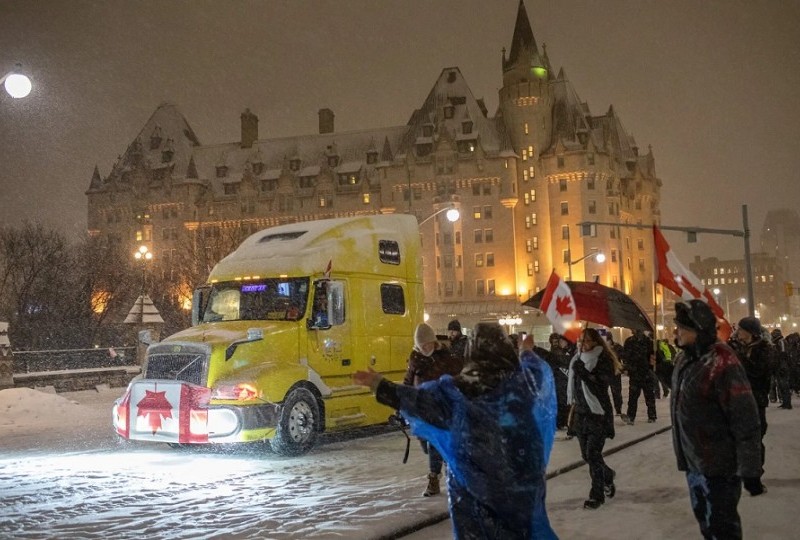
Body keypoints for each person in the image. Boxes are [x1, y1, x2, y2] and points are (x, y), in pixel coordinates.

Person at [353, 322, 558, 539]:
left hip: (473, 494)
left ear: (472, 352)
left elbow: (419, 401)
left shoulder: (457, 392)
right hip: (520, 485)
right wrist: (526, 351)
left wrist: (379, 384)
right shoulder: (524, 383)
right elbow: (535, 369)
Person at [670, 300, 764, 540]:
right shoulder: (685, 360)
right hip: (694, 463)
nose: (676, 332)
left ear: (699, 331)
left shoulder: (722, 361)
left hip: (719, 466)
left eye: (683, 328)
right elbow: (685, 395)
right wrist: (660, 368)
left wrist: (750, 469)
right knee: (706, 525)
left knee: (722, 529)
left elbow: (744, 417)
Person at [403, 323, 463, 497]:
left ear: (434, 342)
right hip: (423, 409)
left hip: (443, 408)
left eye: (427, 345)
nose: (424, 348)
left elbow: (459, 379)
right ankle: (445, 471)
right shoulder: (415, 358)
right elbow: (408, 381)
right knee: (427, 445)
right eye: (421, 346)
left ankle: (435, 479)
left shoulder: (446, 357)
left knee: (436, 443)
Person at [567, 327, 619, 509]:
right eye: (580, 340)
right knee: (586, 455)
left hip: (598, 414)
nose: (583, 344)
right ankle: (608, 475)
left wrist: (585, 374)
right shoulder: (576, 359)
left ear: (596, 342)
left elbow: (601, 386)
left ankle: (596, 495)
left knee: (593, 455)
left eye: (587, 340)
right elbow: (575, 390)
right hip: (581, 414)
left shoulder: (603, 359)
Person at [535, 333, 572, 431]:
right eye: (554, 341)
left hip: (564, 380)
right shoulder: (553, 353)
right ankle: (559, 422)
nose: (556, 343)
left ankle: (562, 422)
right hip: (556, 380)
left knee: (564, 402)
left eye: (557, 341)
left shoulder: (566, 352)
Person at [621, 329, 657, 424]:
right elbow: (625, 356)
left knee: (649, 395)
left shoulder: (648, 342)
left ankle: (652, 415)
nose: (637, 331)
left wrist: (651, 366)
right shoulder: (629, 341)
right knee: (632, 396)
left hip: (646, 372)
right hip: (634, 373)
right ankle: (631, 416)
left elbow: (653, 356)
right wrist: (627, 367)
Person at [601, 331, 625, 417]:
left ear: (610, 340)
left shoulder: (617, 347)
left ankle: (618, 409)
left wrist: (623, 368)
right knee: (603, 392)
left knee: (616, 392)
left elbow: (623, 358)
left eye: (607, 340)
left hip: (615, 373)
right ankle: (604, 409)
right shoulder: (602, 348)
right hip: (604, 373)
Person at [771, 329, 793, 409]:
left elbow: (783, 354)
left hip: (782, 366)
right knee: (781, 385)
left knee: (784, 385)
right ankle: (785, 402)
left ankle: (787, 403)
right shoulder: (777, 342)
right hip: (779, 366)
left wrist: (782, 366)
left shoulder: (781, 341)